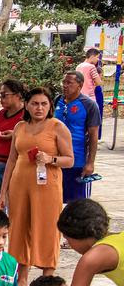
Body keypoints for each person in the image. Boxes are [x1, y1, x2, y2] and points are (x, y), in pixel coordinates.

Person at [0, 87, 74, 286]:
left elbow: (70, 160)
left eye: (43, 104)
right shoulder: (20, 127)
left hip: (47, 184)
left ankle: (48, 274)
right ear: (27, 105)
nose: (39, 108)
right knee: (19, 227)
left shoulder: (57, 127)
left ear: (50, 106)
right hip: (19, 183)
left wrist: (51, 158)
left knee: (47, 226)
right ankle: (21, 274)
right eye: (34, 103)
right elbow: (11, 159)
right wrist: (2, 192)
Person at [54, 70, 100, 202]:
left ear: (80, 85)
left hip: (77, 162)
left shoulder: (89, 105)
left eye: (69, 82)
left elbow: (93, 136)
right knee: (55, 201)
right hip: (55, 161)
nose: (65, 85)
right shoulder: (57, 101)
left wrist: (90, 163)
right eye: (64, 82)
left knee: (77, 205)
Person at [77, 47, 103, 131]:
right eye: (97, 57)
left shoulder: (79, 66)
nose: (98, 60)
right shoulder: (91, 67)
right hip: (90, 98)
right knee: (93, 124)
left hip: (79, 97)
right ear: (92, 56)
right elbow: (98, 82)